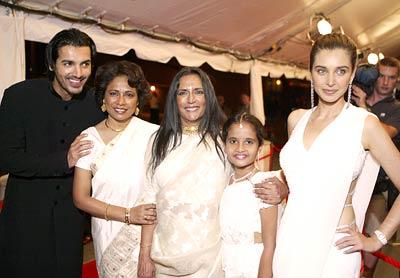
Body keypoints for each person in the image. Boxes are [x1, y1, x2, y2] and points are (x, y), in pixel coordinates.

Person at [137, 67, 287, 277]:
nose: (191, 99)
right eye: (183, 92)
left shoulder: (222, 142)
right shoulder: (157, 141)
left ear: (208, 97)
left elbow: (247, 176)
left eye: (198, 92)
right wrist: (144, 254)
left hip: (212, 262)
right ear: (174, 98)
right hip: (163, 258)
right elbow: (148, 199)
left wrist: (283, 187)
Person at [273, 33, 400, 277]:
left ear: (352, 74)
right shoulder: (296, 119)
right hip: (291, 239)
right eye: (322, 70)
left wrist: (376, 239)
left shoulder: (365, 124)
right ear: (310, 72)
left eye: (340, 71)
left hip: (337, 248)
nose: (330, 81)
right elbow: (298, 177)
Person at [0, 28, 104, 277]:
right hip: (23, 222)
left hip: (70, 225)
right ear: (51, 63)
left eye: (85, 64)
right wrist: (65, 160)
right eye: (68, 63)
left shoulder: (96, 104)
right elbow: (6, 157)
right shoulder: (19, 96)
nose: (78, 73)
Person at [72, 61, 158, 277]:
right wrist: (129, 215)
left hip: (149, 234)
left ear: (139, 99)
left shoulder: (153, 135)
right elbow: (80, 198)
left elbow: (159, 191)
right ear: (103, 97)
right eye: (113, 93)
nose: (121, 101)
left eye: (129, 94)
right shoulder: (88, 138)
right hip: (107, 232)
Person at [352, 57, 400, 277]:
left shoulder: (396, 108)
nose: (385, 82)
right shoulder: (353, 98)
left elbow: (386, 133)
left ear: (397, 80)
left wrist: (364, 107)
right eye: (382, 75)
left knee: (371, 246)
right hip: (350, 185)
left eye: (391, 77)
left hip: (378, 191)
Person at [220, 112, 279, 278]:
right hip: (226, 265)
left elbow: (270, 245)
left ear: (259, 148)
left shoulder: (263, 184)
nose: (240, 148)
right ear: (224, 145)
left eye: (248, 142)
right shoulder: (224, 182)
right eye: (233, 141)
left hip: (253, 266)